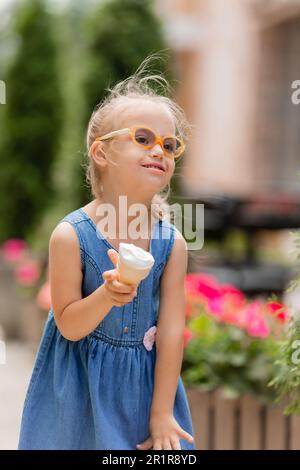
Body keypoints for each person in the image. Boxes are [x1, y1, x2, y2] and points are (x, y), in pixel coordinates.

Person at [18, 57, 195, 450]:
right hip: (78, 395)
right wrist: (106, 295)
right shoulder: (70, 237)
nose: (160, 151)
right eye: (144, 138)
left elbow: (170, 333)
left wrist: (162, 412)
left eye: (169, 145)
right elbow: (69, 325)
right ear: (102, 153)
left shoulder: (172, 245)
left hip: (145, 393)